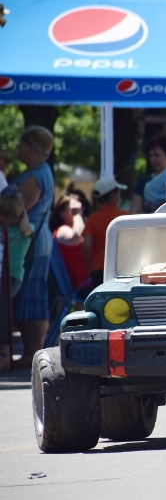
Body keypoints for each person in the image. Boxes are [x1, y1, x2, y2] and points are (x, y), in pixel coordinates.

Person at [9, 126, 56, 368]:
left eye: (21, 143)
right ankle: (31, 352)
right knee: (31, 293)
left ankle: (32, 353)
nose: (18, 148)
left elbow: (17, 209)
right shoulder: (40, 172)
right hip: (35, 238)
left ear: (32, 148)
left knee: (32, 294)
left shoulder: (37, 175)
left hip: (32, 240)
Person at [83, 178, 128, 290]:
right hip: (120, 269)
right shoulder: (124, 216)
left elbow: (87, 245)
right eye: (118, 194)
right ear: (113, 196)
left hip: (97, 270)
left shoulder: (92, 219)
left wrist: (89, 268)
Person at [50, 194, 90, 295]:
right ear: (62, 213)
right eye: (73, 208)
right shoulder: (62, 230)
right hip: (82, 285)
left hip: (86, 282)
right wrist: (77, 215)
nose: (79, 210)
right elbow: (78, 235)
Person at [131, 134, 166, 214]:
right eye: (150, 156)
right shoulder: (144, 182)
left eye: (156, 155)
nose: (153, 160)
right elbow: (134, 212)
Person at [0, 186, 33, 298]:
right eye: (5, 216)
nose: (9, 220)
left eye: (13, 217)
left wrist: (24, 214)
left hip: (13, 274)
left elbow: (24, 230)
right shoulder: (2, 226)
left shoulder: (28, 228)